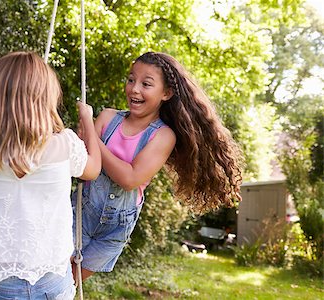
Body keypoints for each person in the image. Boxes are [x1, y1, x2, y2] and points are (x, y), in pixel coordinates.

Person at [71, 51, 243, 282]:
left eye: (146, 84)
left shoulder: (163, 136)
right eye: (131, 79)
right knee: (53, 280)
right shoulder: (108, 118)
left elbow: (129, 178)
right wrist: (83, 134)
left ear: (167, 93)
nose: (134, 89)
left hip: (114, 229)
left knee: (70, 284)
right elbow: (81, 166)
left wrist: (92, 135)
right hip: (81, 211)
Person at [0, 51, 101, 299]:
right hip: (51, 277)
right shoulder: (64, 145)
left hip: (0, 280)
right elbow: (93, 168)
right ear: (44, 98)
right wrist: (87, 121)